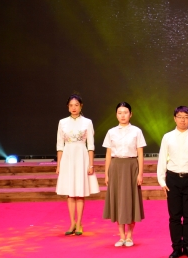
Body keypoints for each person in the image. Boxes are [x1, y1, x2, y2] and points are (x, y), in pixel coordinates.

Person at [157, 106, 188, 258]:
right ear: (174, 118)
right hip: (172, 179)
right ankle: (176, 247)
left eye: (185, 117)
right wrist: (162, 181)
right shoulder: (167, 137)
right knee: (175, 216)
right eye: (179, 116)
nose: (182, 120)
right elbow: (162, 159)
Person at [102, 102, 146, 247]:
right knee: (118, 201)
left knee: (130, 200)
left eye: (125, 112)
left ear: (130, 114)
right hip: (116, 167)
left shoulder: (136, 131)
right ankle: (121, 236)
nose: (123, 115)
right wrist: (106, 174)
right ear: (116, 115)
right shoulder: (111, 132)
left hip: (131, 166)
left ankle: (130, 236)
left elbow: (140, 153)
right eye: (120, 113)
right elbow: (108, 154)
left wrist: (140, 173)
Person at [56, 94, 99, 235]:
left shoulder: (87, 122)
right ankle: (72, 223)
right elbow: (60, 145)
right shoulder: (62, 122)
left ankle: (79, 223)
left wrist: (91, 165)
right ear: (68, 107)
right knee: (70, 193)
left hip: (81, 156)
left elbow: (91, 145)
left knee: (80, 192)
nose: (74, 108)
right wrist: (59, 165)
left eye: (76, 105)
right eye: (71, 105)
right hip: (67, 157)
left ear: (81, 106)